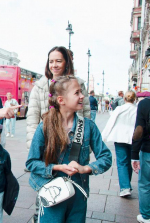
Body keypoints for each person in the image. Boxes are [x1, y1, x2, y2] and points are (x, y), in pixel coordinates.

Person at [26, 76, 112, 223]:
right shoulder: (45, 127)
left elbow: (106, 157)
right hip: (52, 192)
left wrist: (85, 169)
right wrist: (57, 167)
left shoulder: (88, 126)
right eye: (77, 93)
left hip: (78, 193)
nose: (82, 96)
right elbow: (31, 163)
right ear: (61, 100)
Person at [25, 46, 90, 222]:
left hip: (72, 146)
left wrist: (84, 143)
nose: (54, 65)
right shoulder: (40, 87)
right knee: (47, 189)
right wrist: (33, 146)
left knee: (71, 189)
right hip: (47, 145)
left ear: (66, 62)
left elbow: (85, 114)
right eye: (51, 61)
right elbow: (32, 118)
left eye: (58, 61)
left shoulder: (78, 85)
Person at [101, 91, 137, 197]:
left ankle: (125, 188)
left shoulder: (119, 109)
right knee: (130, 161)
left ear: (124, 99)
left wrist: (104, 136)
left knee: (122, 163)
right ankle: (127, 185)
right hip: (133, 138)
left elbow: (111, 122)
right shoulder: (137, 110)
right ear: (134, 99)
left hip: (119, 137)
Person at [131, 96, 150, 223]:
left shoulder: (145, 104)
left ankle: (146, 216)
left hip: (148, 150)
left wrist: (134, 155)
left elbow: (139, 130)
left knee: (145, 183)